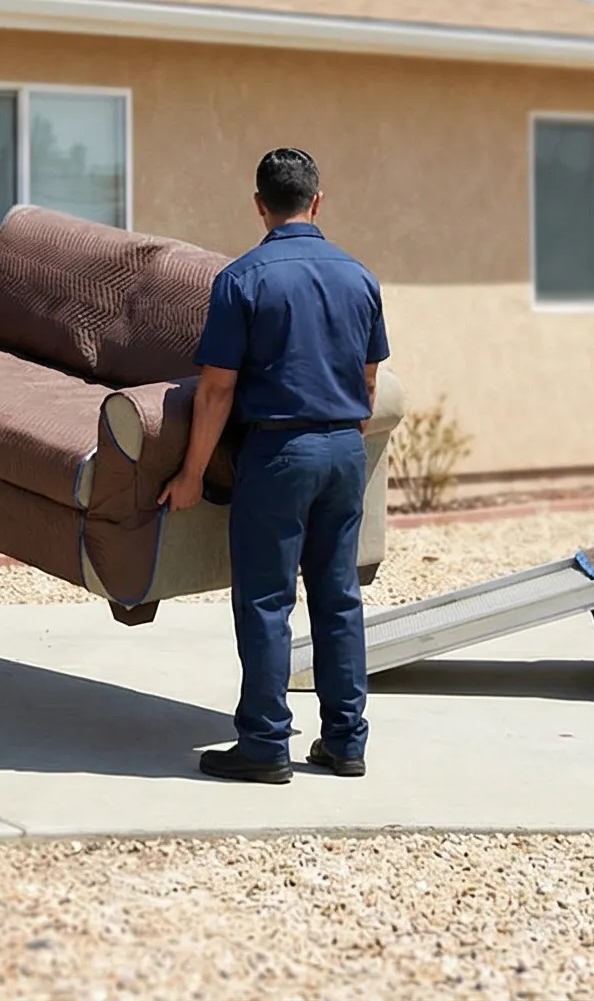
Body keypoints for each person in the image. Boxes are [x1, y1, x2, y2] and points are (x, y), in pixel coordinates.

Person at [164, 147, 388, 783]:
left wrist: (188, 474)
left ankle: (265, 745)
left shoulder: (242, 279)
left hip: (278, 452)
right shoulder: (359, 276)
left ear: (259, 205)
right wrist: (344, 438)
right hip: (344, 447)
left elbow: (215, 390)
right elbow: (368, 379)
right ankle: (346, 742)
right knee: (338, 597)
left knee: (266, 600)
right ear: (317, 201)